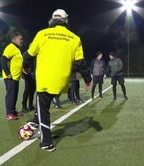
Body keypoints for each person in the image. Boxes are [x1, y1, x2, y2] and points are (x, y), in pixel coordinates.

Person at [23, 9, 92, 152]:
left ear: (52, 20)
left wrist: (25, 66)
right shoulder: (74, 38)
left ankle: (46, 142)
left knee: (43, 109)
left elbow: (28, 56)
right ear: (66, 20)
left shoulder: (42, 34)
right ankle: (36, 121)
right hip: (62, 82)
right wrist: (87, 79)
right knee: (46, 104)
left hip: (44, 81)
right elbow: (81, 63)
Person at [0, 32, 24, 120]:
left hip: (15, 77)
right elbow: (3, 59)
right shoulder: (11, 47)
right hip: (10, 77)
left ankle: (13, 111)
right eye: (20, 39)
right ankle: (9, 114)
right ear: (15, 39)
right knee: (10, 94)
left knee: (14, 94)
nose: (22, 41)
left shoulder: (16, 49)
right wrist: (7, 73)